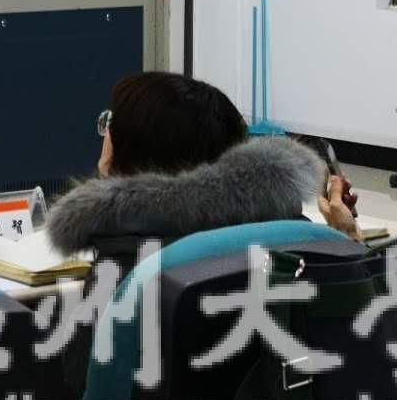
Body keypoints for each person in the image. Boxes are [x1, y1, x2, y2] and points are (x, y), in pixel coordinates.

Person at [46, 72, 361, 277]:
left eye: (113, 123)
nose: (107, 133)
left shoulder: (126, 262)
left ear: (133, 151)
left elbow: (90, 361)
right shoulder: (290, 239)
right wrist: (345, 239)